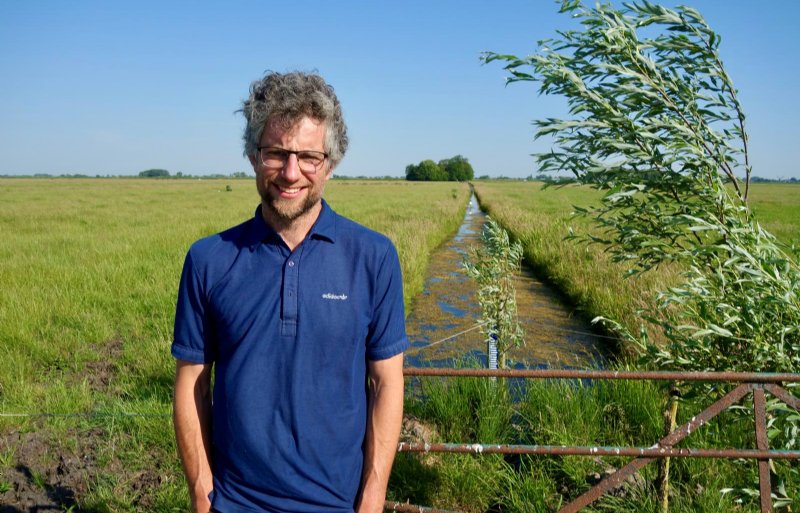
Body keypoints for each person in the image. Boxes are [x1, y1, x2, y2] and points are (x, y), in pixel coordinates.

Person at [172, 71, 408, 513]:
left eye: (307, 156)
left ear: (331, 163)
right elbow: (192, 385)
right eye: (276, 153)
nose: (291, 172)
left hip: (337, 504)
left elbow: (386, 383)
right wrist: (203, 497)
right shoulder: (209, 260)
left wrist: (373, 499)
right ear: (252, 155)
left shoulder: (374, 258)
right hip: (234, 503)